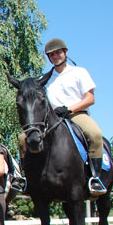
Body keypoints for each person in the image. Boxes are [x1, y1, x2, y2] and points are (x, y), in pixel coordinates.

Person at [44, 38, 106, 196]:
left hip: (76, 114)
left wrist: (69, 109)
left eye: (58, 52)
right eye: (51, 54)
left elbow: (90, 98)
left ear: (65, 52)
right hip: (54, 118)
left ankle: (95, 178)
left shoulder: (79, 72)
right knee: (25, 138)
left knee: (95, 134)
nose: (55, 56)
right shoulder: (46, 79)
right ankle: (25, 180)